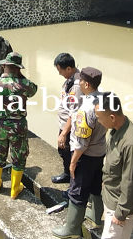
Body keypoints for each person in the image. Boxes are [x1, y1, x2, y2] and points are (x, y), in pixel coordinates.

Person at [52, 67, 107, 238]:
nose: (79, 83)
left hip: (86, 155)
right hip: (100, 152)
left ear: (87, 83)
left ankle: (72, 229)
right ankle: (96, 217)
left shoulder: (87, 107)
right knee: (96, 184)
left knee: (77, 191)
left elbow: (82, 142)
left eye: (81, 81)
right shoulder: (104, 99)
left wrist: (73, 161)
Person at [0, 52, 38, 199]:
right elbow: (34, 90)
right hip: (18, 127)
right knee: (18, 157)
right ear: (18, 68)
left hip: (0, 126)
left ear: (4, 65)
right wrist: (20, 77)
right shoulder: (24, 84)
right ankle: (14, 189)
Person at [95, 92, 133, 239]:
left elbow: (131, 181)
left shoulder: (132, 144)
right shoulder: (115, 131)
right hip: (111, 198)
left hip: (119, 206)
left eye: (99, 118)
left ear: (112, 117)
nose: (98, 121)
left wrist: (121, 213)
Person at [51, 53, 82, 184]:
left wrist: (64, 133)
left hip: (70, 127)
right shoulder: (71, 80)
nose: (59, 74)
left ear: (69, 68)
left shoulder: (76, 85)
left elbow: (74, 113)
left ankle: (72, 181)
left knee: (70, 155)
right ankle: (67, 175)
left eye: (60, 70)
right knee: (63, 152)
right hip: (65, 125)